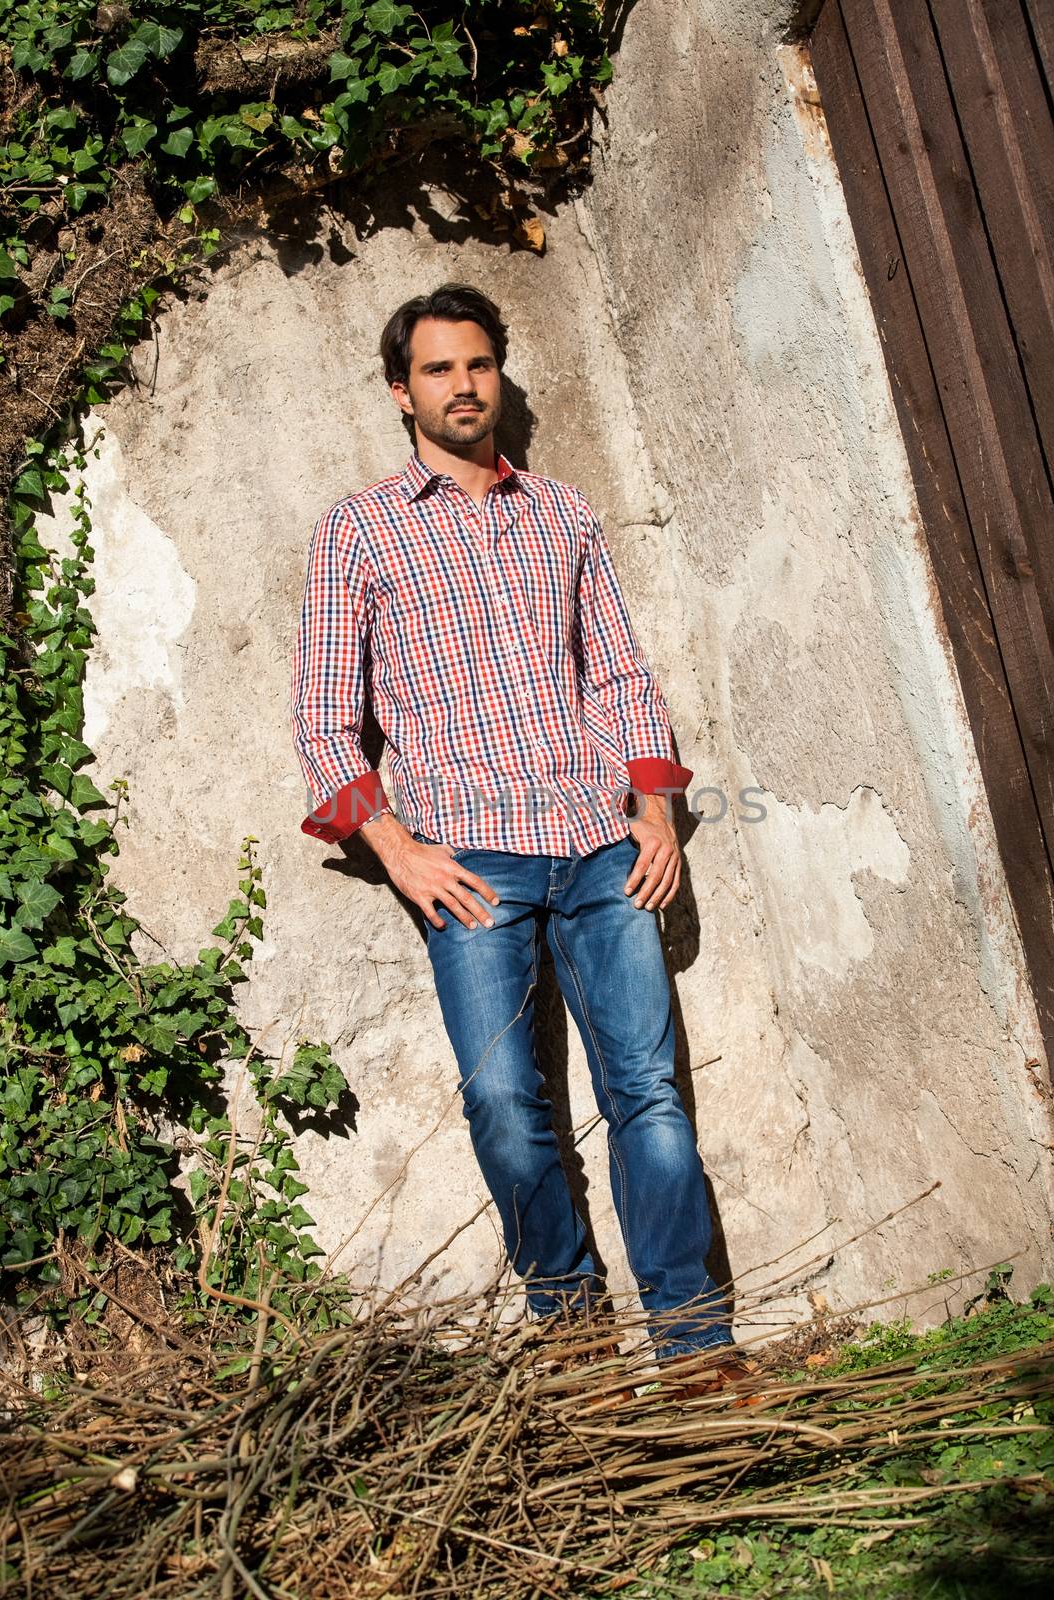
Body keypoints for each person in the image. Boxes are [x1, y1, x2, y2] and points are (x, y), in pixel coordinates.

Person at [290, 282, 753, 1392]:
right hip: (470, 866)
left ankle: (695, 1348)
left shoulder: (563, 514)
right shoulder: (358, 529)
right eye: (439, 369)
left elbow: (620, 674)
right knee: (503, 1101)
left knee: (644, 1089)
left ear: (499, 376)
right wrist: (397, 850)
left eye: (478, 365)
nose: (463, 385)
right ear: (400, 391)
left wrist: (653, 809)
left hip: (599, 844)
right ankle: (574, 1336)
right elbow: (320, 715)